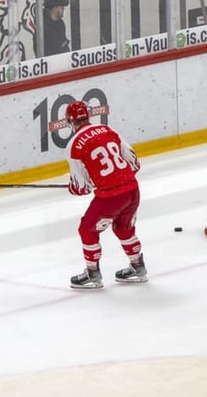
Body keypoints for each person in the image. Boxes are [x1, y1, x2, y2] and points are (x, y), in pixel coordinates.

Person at [64, 100, 147, 290]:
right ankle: (138, 266)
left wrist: (74, 187)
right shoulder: (108, 130)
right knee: (123, 228)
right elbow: (134, 164)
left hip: (111, 197)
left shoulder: (75, 144)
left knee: (87, 229)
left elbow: (81, 187)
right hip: (133, 190)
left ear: (70, 121)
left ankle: (93, 274)